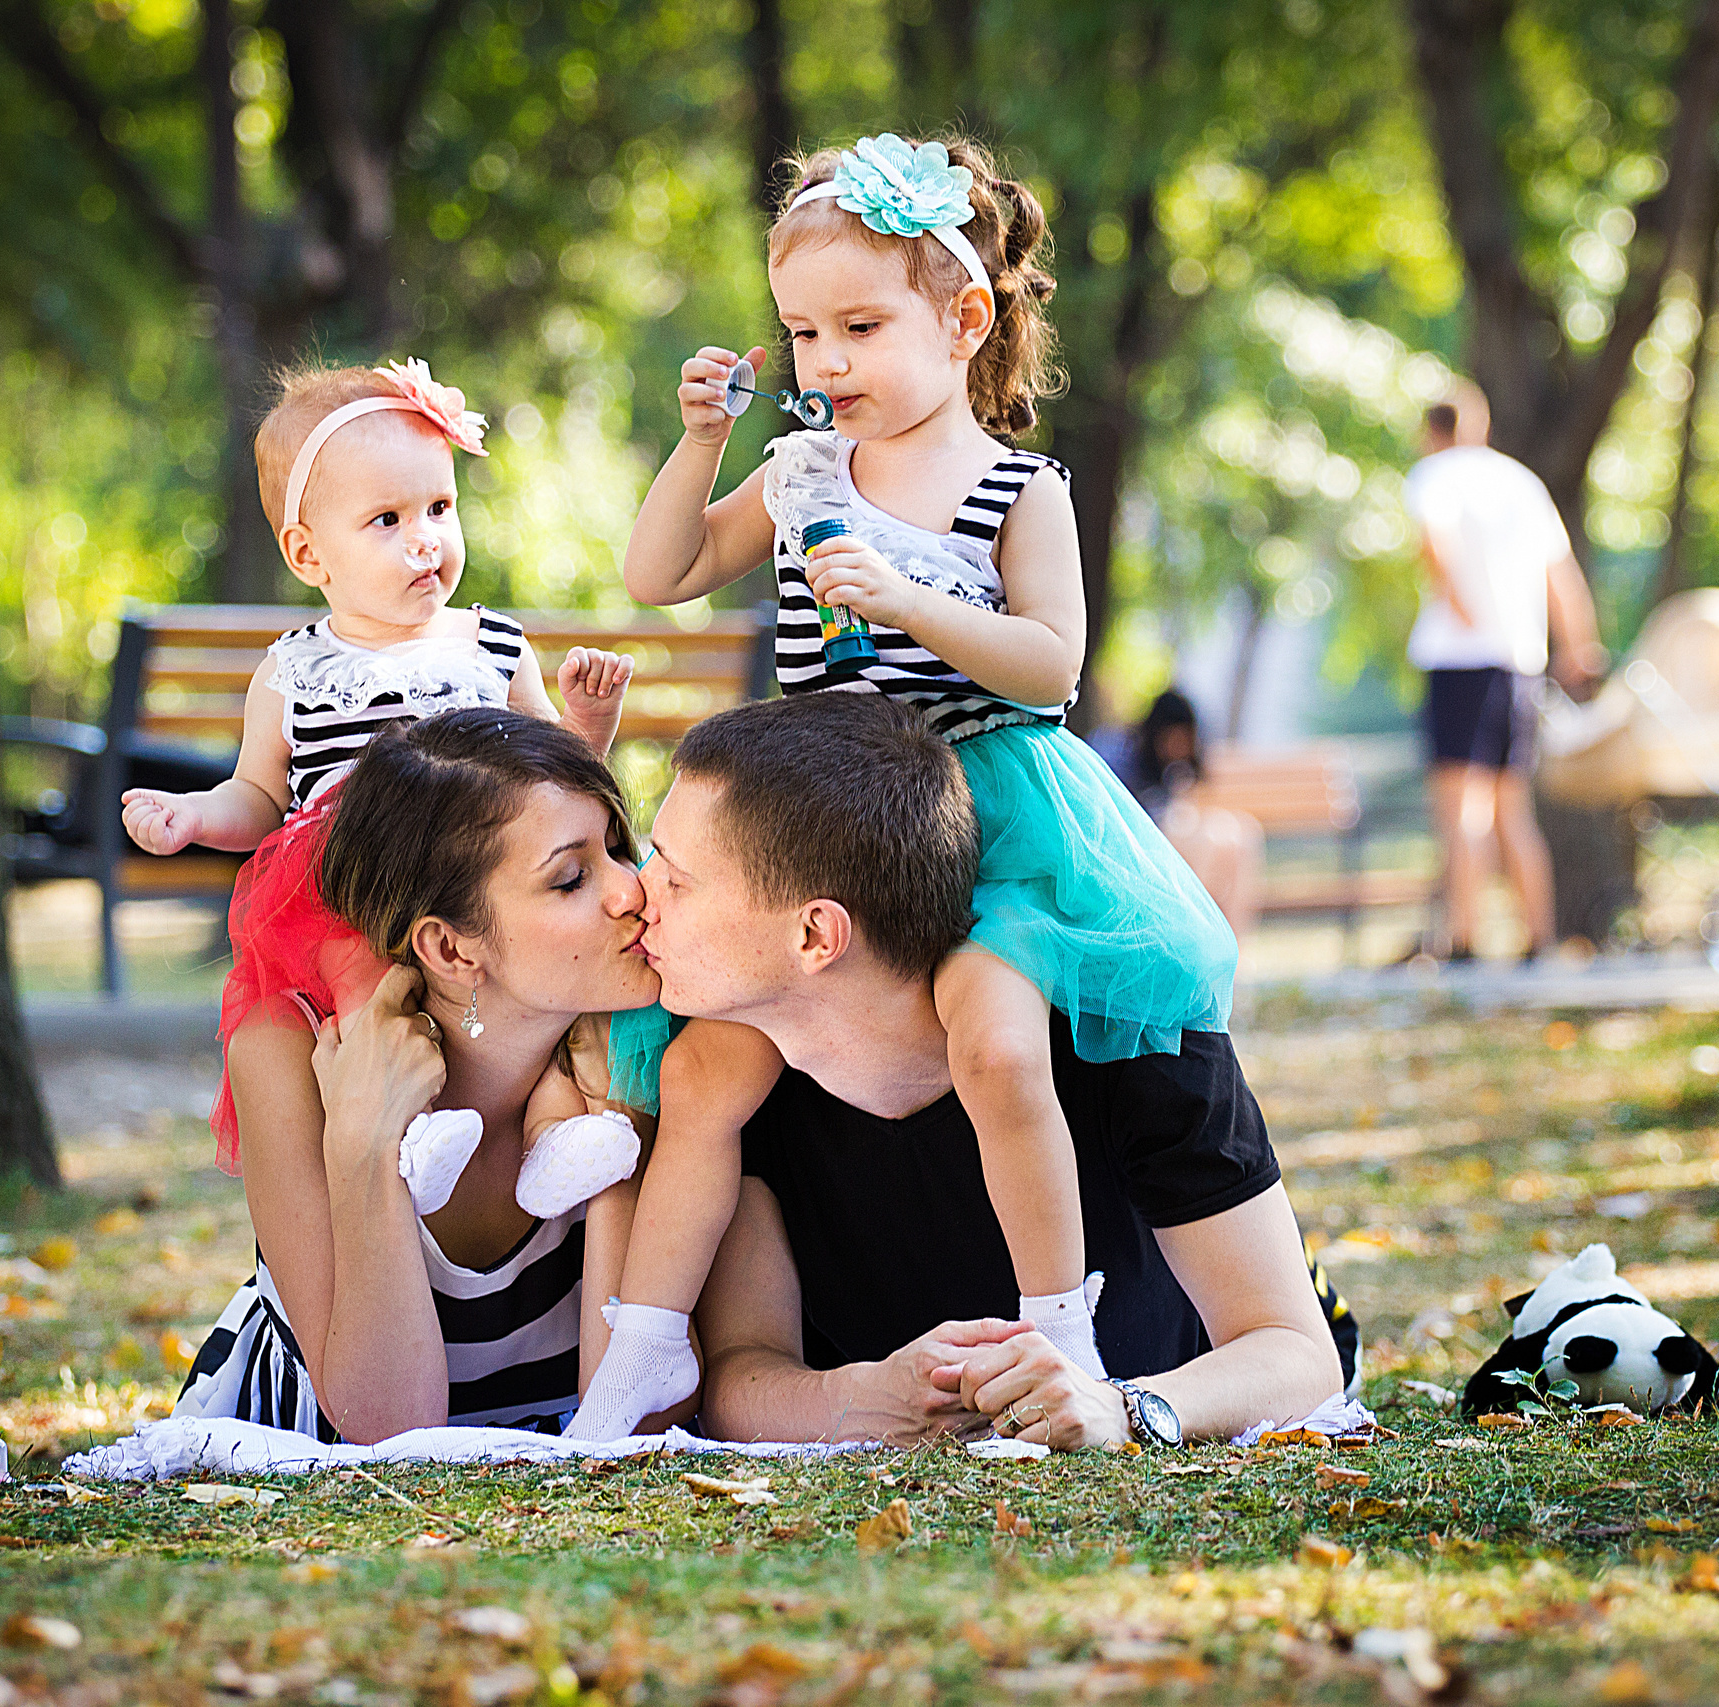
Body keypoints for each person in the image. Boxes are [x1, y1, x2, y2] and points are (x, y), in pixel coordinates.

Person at [573, 134, 1236, 1437]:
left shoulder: (1012, 487)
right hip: (822, 824)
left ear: (963, 317)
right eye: (804, 333)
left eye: (860, 326)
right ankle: (645, 1348)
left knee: (993, 1036)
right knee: (709, 1073)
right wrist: (703, 439)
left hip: (986, 816)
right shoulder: (807, 466)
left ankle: (1060, 1321)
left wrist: (915, 600)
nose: (827, 364)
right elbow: (665, 569)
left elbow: (1050, 669)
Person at [643, 693, 1356, 1449]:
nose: (637, 891)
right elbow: (739, 1374)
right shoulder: (739, 1074)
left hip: (1177, 1388)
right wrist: (856, 1397)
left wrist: (1123, 1406)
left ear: (817, 933)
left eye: (676, 878)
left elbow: (1298, 1354)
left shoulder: (1126, 1035)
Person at [115, 358, 635, 1197]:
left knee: (551, 1002)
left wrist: (589, 727)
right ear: (307, 552)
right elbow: (259, 796)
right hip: (349, 878)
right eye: (387, 519)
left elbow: (557, 781)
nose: (425, 537)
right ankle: (411, 1134)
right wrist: (195, 818)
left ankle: (555, 1137)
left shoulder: (491, 645)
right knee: (371, 984)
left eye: (439, 506)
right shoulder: (292, 672)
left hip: (482, 873)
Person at [168, 709, 672, 1440]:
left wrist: (620, 1132)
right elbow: (387, 1429)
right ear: (450, 947)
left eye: (619, 849)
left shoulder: (639, 1040)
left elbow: (630, 1414)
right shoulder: (286, 1052)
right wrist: (363, 1143)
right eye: (571, 878)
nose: (631, 891)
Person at [1404, 381, 1605, 962]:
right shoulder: (1522, 483)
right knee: (1511, 807)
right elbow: (1561, 574)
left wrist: (1465, 610)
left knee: (1459, 804)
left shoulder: (1435, 475)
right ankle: (1538, 937)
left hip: (1460, 658)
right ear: (1481, 424)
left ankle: (1462, 939)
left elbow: (1435, 546)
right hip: (1519, 662)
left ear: (1432, 432)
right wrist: (1577, 647)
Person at [1123, 688, 1263, 938]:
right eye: (1173, 738)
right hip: (1145, 845)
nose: (1178, 747)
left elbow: (1199, 803)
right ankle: (1190, 939)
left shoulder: (1184, 765)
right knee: (1202, 838)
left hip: (1184, 836)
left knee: (1244, 833)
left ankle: (1234, 948)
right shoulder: (1130, 759)